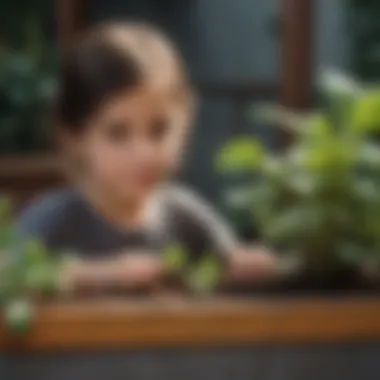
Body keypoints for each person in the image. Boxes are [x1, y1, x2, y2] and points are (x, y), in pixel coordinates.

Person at [17, 22, 276, 293]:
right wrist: (100, 275)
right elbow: (10, 277)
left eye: (159, 130)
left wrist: (247, 266)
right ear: (75, 138)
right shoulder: (51, 222)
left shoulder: (187, 218)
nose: (145, 153)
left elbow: (230, 267)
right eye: (117, 133)